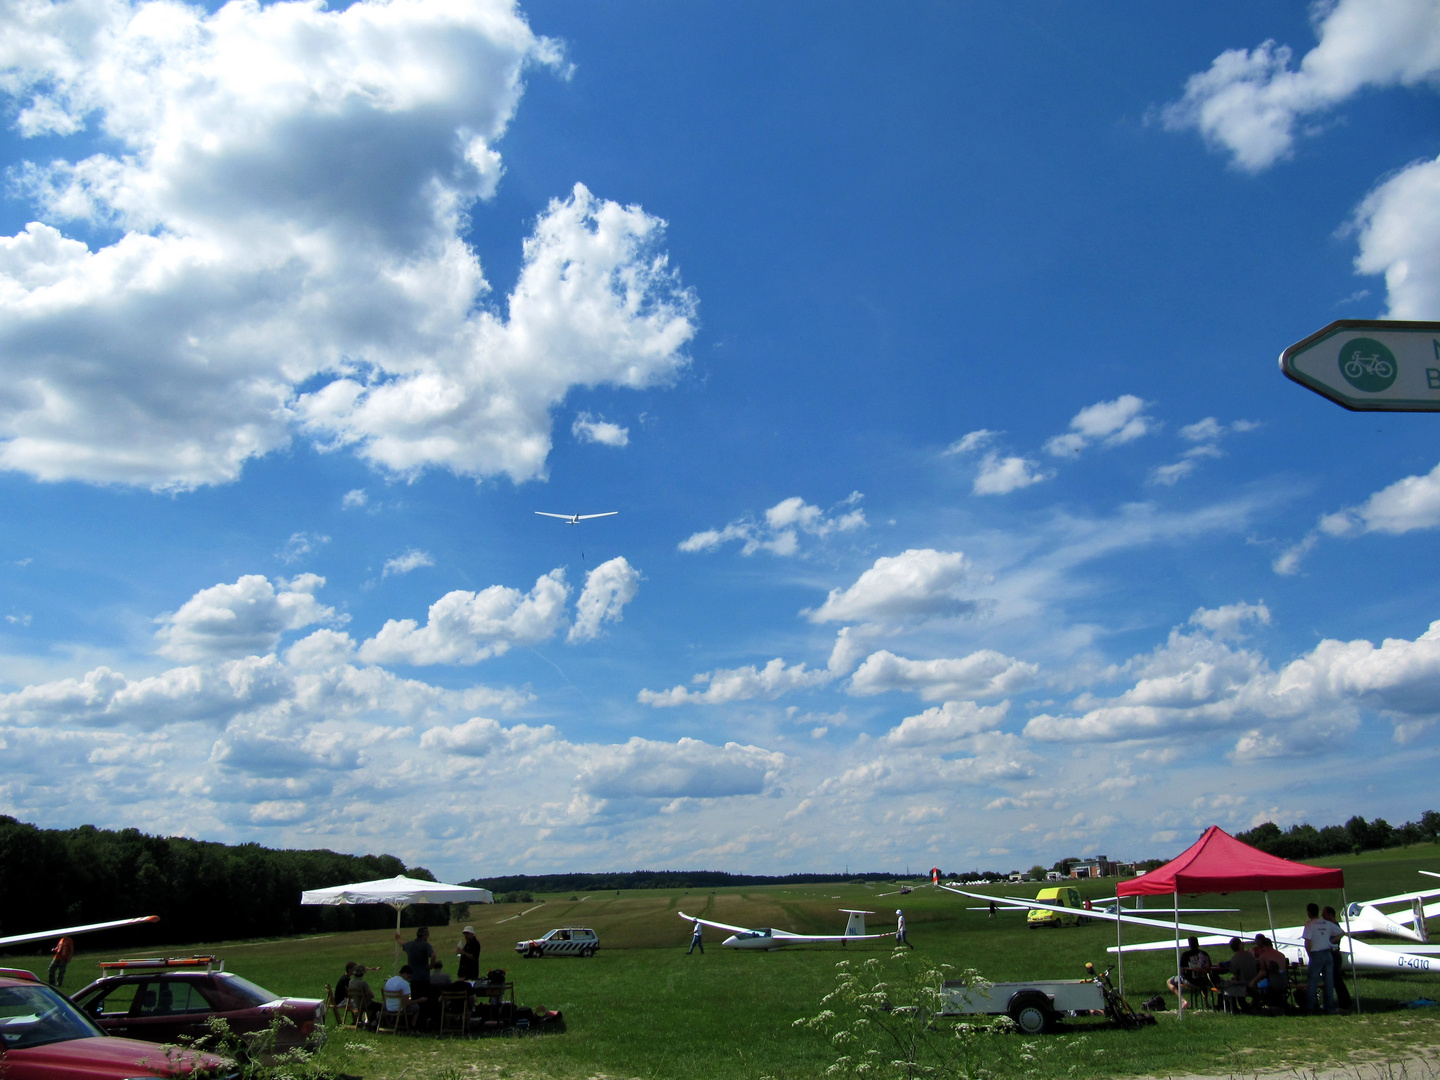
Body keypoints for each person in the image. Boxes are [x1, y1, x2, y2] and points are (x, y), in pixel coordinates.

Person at [1302, 902, 1341, 1014]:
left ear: (1309, 912)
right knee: (1329, 981)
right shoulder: (1326, 923)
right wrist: (1329, 941)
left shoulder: (1310, 925)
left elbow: (1308, 942)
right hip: (1327, 953)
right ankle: (1329, 1007)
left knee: (1312, 981)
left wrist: (1310, 955)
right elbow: (1341, 932)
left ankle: (1309, 1007)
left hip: (1316, 954)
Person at [1167, 936, 1212, 1010]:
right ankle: (1206, 1002)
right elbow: (1209, 967)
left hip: (1191, 980)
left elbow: (1181, 971)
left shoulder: (1186, 955)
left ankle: (1183, 1001)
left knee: (1169, 981)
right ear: (1198, 943)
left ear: (1189, 944)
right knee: (1202, 984)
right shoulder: (1204, 954)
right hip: (1205, 980)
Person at [1322, 906, 1353, 1010]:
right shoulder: (1331, 925)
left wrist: (1329, 942)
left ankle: (1344, 1003)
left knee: (1337, 981)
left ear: (1330, 914)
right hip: (1333, 954)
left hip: (1334, 955)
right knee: (1335, 980)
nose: (1322, 916)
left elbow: (1341, 933)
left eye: (1324, 913)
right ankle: (1340, 1002)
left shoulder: (1334, 925)